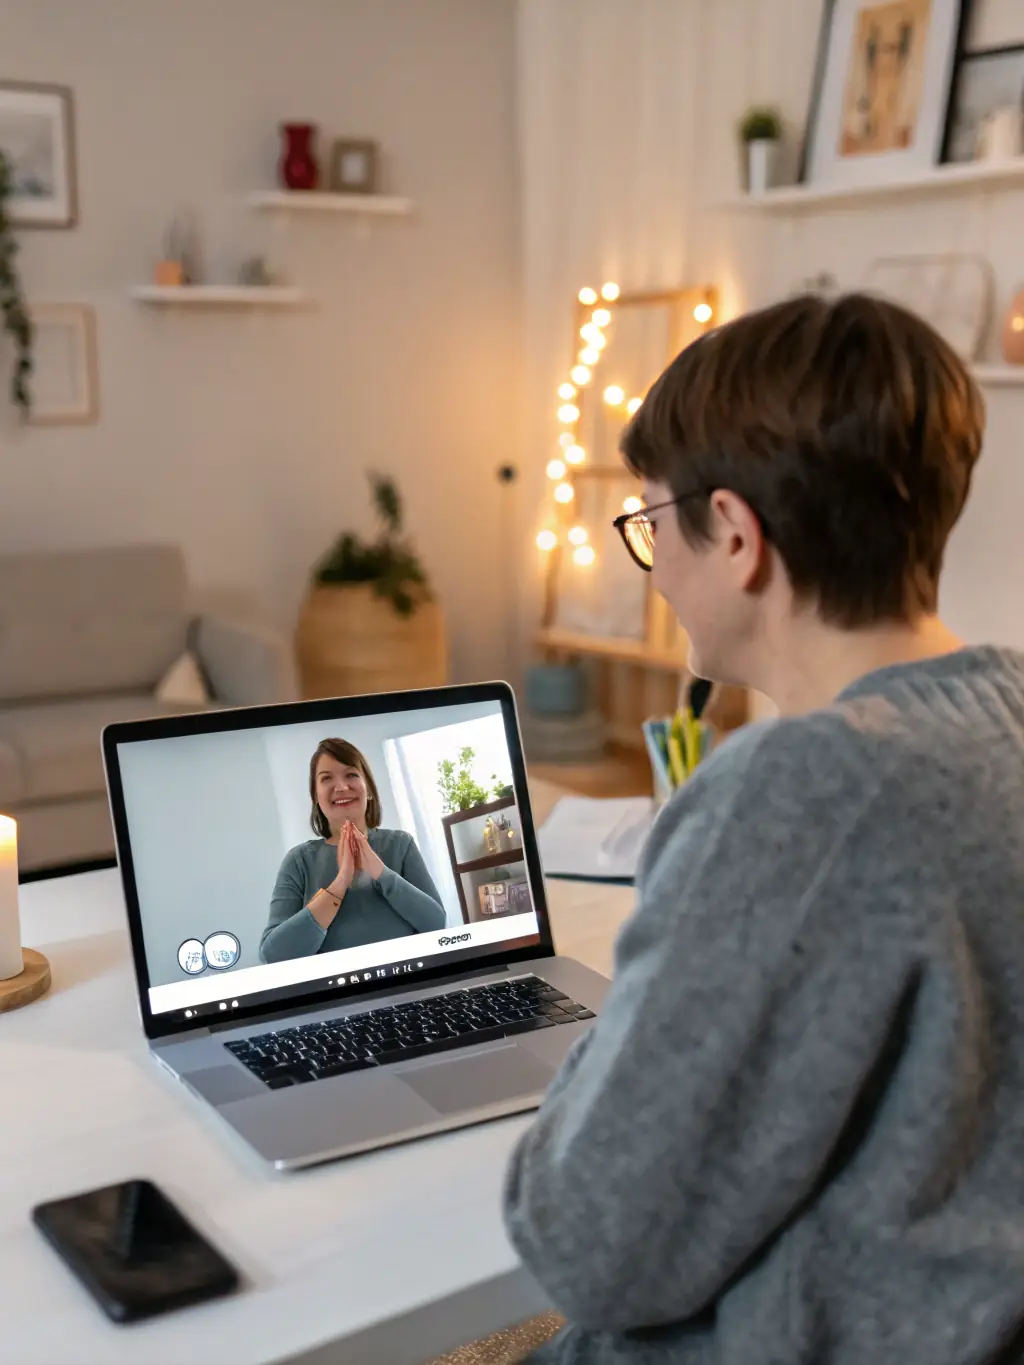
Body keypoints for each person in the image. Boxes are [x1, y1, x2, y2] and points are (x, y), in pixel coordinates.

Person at [503, 293, 1024, 1363]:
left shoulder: (803, 787)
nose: (657, 574)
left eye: (651, 526)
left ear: (736, 536)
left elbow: (585, 1241)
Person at [260, 737, 445, 963]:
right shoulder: (299, 861)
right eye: (326, 778)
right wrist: (340, 884)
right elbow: (273, 954)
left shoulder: (401, 844)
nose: (341, 787)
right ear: (315, 796)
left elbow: (436, 923)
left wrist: (380, 871)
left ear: (368, 789)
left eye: (351, 775)